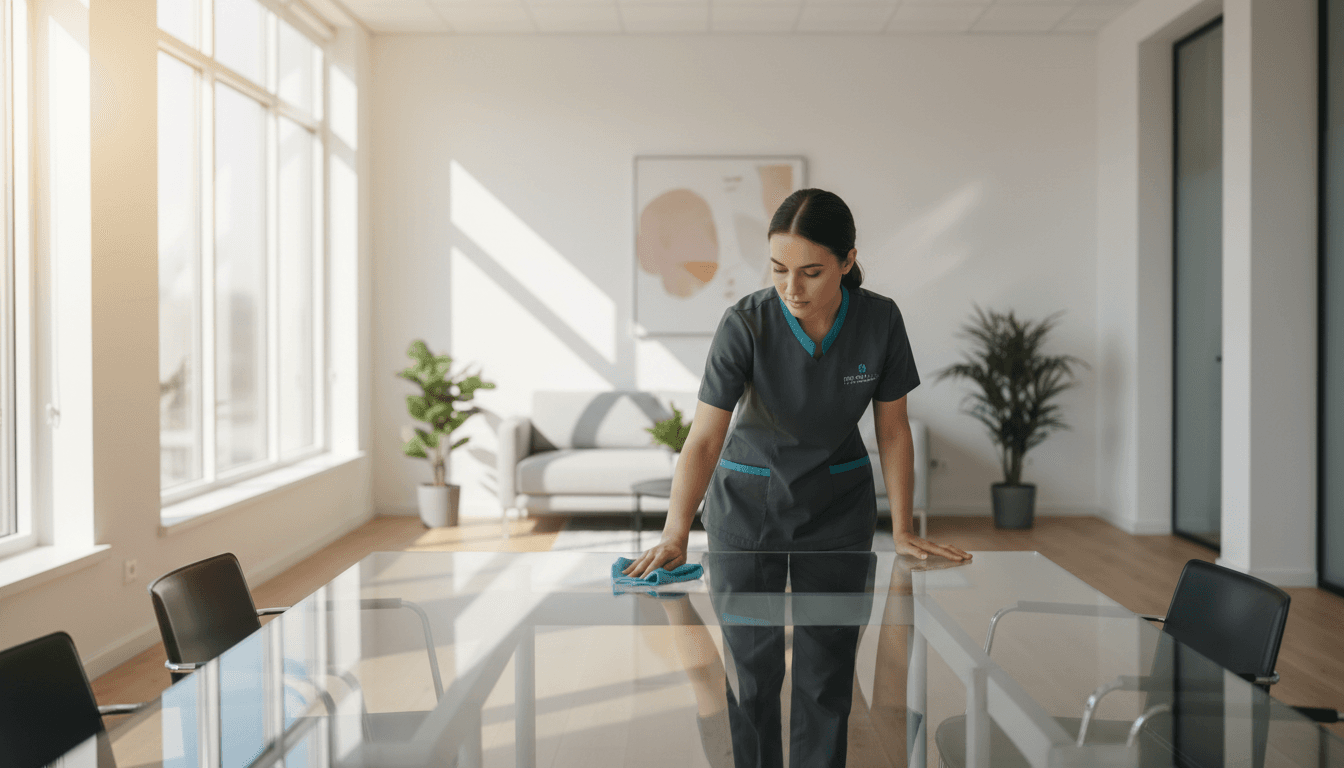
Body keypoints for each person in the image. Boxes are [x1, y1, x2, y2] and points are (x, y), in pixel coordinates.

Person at [622, 187, 970, 768]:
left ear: (847, 261)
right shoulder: (746, 322)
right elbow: (705, 437)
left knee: (828, 678)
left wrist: (903, 526)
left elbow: (894, 430)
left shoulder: (880, 320)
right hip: (746, 510)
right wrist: (675, 532)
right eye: (779, 269)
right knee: (751, 678)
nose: (791, 288)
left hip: (837, 516)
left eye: (811, 272)